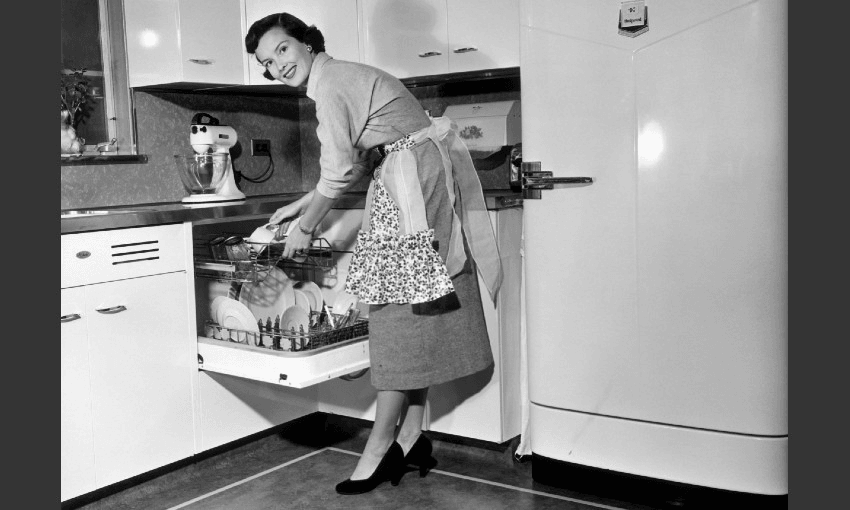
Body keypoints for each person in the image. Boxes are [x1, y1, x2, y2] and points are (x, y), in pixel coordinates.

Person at [245, 13, 503, 495]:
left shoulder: (332, 84)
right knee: (415, 311)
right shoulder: (341, 76)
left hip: (409, 184)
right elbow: (357, 159)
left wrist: (306, 227)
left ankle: (381, 446)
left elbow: (340, 169)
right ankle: (410, 434)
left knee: (393, 319)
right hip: (413, 176)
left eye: (282, 50)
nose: (277, 65)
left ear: (305, 43)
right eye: (266, 62)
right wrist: (299, 204)